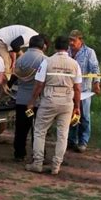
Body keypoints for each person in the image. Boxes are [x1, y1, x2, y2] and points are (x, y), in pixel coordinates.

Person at [25, 36, 82, 175]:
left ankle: (37, 162)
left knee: (40, 131)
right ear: (67, 47)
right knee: (63, 134)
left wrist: (32, 101)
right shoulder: (75, 64)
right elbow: (78, 88)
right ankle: (56, 166)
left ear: (55, 47)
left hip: (49, 100)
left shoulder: (47, 62)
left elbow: (39, 84)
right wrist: (77, 106)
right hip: (67, 102)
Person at [12, 35, 48, 162]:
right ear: (42, 46)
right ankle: (38, 154)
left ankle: (19, 153)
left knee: (21, 128)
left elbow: (15, 75)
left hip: (22, 99)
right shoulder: (45, 60)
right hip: (37, 101)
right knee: (38, 129)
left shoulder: (21, 58)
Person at [67, 30, 101, 153]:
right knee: (71, 115)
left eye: (73, 40)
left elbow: (95, 68)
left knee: (85, 117)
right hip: (69, 89)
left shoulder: (89, 52)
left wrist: (96, 83)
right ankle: (72, 140)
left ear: (81, 40)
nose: (71, 42)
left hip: (84, 90)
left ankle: (83, 142)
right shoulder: (67, 51)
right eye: (70, 40)